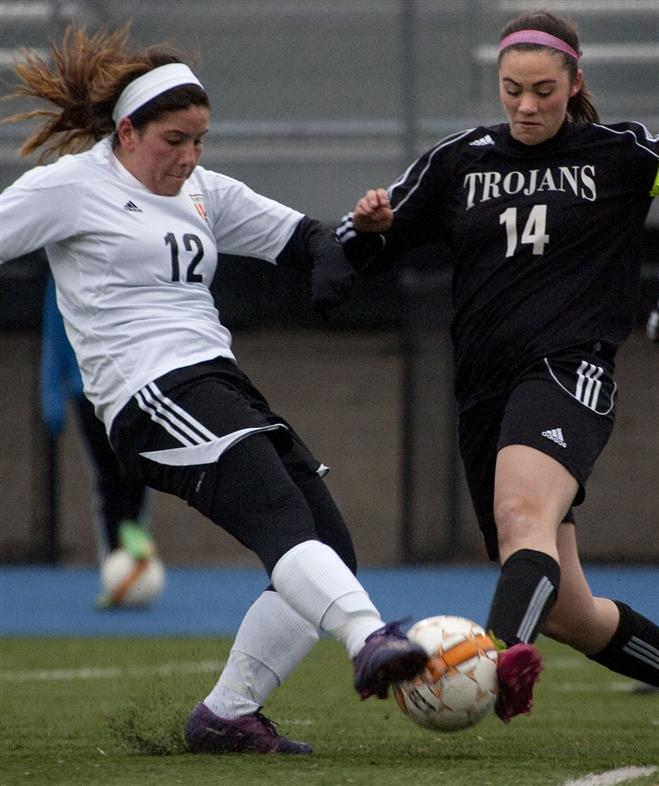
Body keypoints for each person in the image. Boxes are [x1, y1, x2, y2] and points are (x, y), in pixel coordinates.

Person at [0, 25, 428, 754]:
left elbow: (305, 238)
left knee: (328, 541)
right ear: (127, 131)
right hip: (147, 393)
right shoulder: (71, 187)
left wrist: (356, 238)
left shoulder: (202, 190)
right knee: (277, 515)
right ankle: (370, 637)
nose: (190, 156)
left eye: (200, 139)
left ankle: (229, 713)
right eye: (174, 140)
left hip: (215, 380)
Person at [331, 10, 659, 722]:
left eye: (543, 89)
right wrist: (370, 226)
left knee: (519, 516)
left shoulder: (624, 156)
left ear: (574, 83)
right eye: (512, 89)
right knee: (572, 611)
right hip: (483, 391)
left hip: (569, 370)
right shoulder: (458, 161)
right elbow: (365, 244)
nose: (526, 105)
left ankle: (493, 659)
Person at [41, 273, 156, 607]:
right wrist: (51, 394)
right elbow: (54, 331)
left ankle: (134, 556)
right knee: (108, 477)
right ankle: (115, 564)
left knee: (136, 473)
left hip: (130, 387)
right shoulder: (60, 274)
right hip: (85, 393)